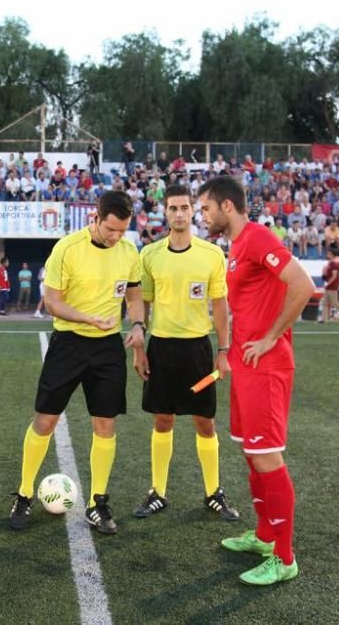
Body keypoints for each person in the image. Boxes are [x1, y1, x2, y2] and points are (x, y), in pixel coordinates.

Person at [198, 175, 315, 586]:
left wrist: (270, 338)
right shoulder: (236, 246)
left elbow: (303, 286)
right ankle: (265, 536)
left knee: (267, 455)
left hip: (267, 366)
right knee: (251, 452)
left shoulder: (259, 237)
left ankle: (284, 558)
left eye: (206, 208)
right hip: (247, 365)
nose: (203, 216)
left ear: (226, 206)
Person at [9, 190, 145, 535]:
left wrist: (139, 325)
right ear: (95, 218)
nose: (116, 236)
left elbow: (133, 294)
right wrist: (87, 319)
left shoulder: (130, 252)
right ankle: (24, 494)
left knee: (105, 425)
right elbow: (52, 302)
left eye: (122, 230)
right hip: (68, 344)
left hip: (108, 349)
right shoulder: (67, 248)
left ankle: (97, 502)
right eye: (110, 229)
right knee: (46, 420)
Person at [132, 184, 240, 521]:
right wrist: (140, 347)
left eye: (185, 208)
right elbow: (141, 304)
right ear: (164, 213)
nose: (179, 214)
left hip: (197, 349)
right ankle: (158, 492)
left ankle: (213, 493)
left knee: (204, 422)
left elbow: (220, 306)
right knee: (162, 419)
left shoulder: (211, 255)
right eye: (173, 208)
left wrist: (223, 350)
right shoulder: (149, 255)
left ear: (193, 211)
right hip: (161, 347)